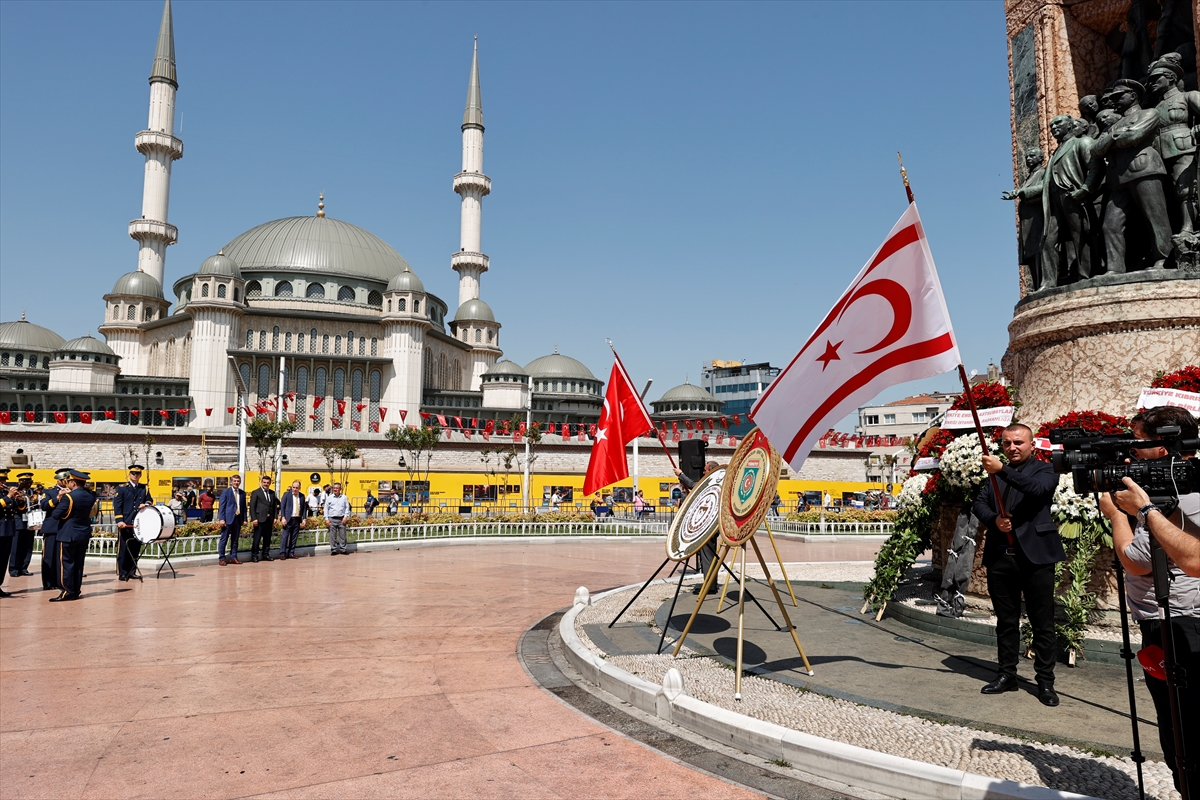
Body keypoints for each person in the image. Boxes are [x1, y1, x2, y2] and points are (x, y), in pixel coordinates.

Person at [1099, 405, 1199, 794]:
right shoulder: (1173, 482)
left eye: (1137, 442)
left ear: (1163, 447)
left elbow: (1136, 560)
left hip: (1178, 623)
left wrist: (1119, 514)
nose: (1130, 450)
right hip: (1168, 619)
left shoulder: (1180, 489)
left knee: (1182, 729)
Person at [972, 423, 1063, 707]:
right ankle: (1007, 675)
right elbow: (979, 503)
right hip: (1001, 557)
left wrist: (1002, 470)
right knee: (1006, 622)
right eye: (1007, 443)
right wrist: (994, 520)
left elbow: (1037, 491)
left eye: (1018, 442)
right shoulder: (995, 475)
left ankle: (1045, 683)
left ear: (1032, 445)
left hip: (1035, 558)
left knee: (1042, 624)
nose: (1012, 447)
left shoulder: (1045, 470)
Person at [1094, 79, 1173, 273]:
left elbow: (1133, 137)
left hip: (1144, 169)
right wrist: (1114, 136)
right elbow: (1095, 150)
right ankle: (1115, 268)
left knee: (1155, 218)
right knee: (1110, 225)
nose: (1114, 101)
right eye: (1112, 97)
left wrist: (1110, 140)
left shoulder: (1149, 113)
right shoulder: (1114, 125)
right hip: (1118, 179)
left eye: (1119, 96)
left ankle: (1165, 260)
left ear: (1133, 96)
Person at [49, 469, 97, 602]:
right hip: (83, 533)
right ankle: (76, 590)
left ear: (74, 483)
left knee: (66, 564)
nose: (68, 483)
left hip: (68, 534)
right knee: (78, 564)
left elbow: (56, 515)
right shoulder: (90, 495)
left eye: (69, 481)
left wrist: (60, 497)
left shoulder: (69, 497)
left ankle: (66, 591)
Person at [112, 464, 153, 582]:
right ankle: (122, 572)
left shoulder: (143, 488)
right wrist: (119, 520)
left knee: (135, 548)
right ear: (129, 474)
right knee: (124, 549)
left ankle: (132, 571)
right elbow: (117, 505)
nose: (135, 475)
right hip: (126, 522)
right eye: (133, 473)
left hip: (138, 522)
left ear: (140, 475)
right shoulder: (122, 488)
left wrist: (146, 504)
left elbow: (149, 499)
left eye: (137, 474)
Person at [38, 468, 72, 592]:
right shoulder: (50, 492)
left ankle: (60, 581)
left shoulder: (72, 491)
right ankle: (48, 582)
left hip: (65, 527)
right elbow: (44, 506)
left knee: (62, 557)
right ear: (60, 480)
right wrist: (58, 497)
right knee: (49, 556)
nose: (68, 482)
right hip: (52, 527)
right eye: (66, 480)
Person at [9, 471, 36, 578]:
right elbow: (14, 507)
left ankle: (24, 567)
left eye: (28, 481)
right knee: (16, 546)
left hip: (30, 521)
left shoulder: (32, 492)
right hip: (19, 521)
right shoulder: (15, 492)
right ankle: (14, 568)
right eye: (24, 482)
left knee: (28, 546)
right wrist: (19, 500)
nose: (27, 484)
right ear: (19, 482)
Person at [0, 471, 22, 598]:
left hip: (7, 530)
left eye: (4, 481)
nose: (3, 483)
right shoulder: (5, 495)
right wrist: (8, 496)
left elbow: (16, 510)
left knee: (3, 560)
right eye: (1, 481)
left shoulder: (4, 494)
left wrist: (18, 500)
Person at [248, 475, 280, 562]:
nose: (266, 484)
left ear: (270, 483)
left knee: (267, 538)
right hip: (259, 519)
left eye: (268, 483)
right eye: (264, 482)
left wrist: (275, 517)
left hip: (269, 520)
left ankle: (266, 554)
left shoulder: (272, 493)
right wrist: (254, 518)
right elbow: (252, 506)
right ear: (261, 482)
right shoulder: (256, 492)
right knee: (257, 538)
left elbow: (274, 507)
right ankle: (254, 555)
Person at [218, 475, 246, 566]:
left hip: (238, 519)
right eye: (234, 481)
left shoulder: (242, 493)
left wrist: (244, 519)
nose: (236, 482)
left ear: (240, 482)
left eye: (238, 481)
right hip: (227, 519)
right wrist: (222, 519)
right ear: (231, 482)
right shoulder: (226, 492)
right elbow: (222, 506)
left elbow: (244, 508)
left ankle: (233, 557)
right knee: (224, 539)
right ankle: (222, 558)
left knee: (235, 540)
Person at [279, 480, 307, 560]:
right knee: (285, 536)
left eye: (297, 488)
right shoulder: (286, 495)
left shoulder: (302, 496)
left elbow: (304, 508)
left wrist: (304, 519)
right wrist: (283, 517)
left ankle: (291, 553)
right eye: (293, 487)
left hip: (297, 519)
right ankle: (282, 553)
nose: (295, 489)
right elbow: (282, 506)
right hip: (288, 519)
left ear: (299, 488)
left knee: (294, 537)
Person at [324, 482, 351, 555]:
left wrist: (345, 517)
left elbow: (347, 508)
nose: (335, 489)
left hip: (341, 518)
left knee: (343, 535)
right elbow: (326, 508)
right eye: (334, 488)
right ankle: (334, 550)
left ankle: (343, 549)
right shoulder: (329, 498)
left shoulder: (344, 497)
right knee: (332, 536)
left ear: (340, 489)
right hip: (332, 519)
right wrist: (326, 519)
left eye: (337, 488)